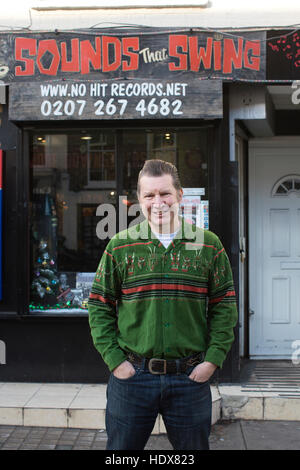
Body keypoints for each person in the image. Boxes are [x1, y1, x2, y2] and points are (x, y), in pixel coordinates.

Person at [88, 159, 238, 450]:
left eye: (165, 193)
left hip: (189, 379)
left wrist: (212, 360)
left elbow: (224, 306)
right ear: (139, 200)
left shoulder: (208, 245)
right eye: (149, 195)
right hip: (132, 378)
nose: (158, 202)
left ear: (180, 195)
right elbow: (99, 305)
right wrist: (115, 362)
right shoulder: (120, 246)